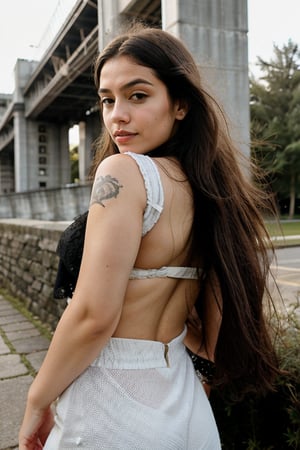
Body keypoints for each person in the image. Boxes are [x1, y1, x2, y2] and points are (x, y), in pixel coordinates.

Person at [19, 25, 279, 449]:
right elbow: (216, 309)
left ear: (179, 104)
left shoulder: (124, 173)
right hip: (186, 401)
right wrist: (200, 381)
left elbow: (93, 316)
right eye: (107, 99)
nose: (116, 114)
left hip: (110, 403)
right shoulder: (213, 191)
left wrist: (36, 401)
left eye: (137, 96)